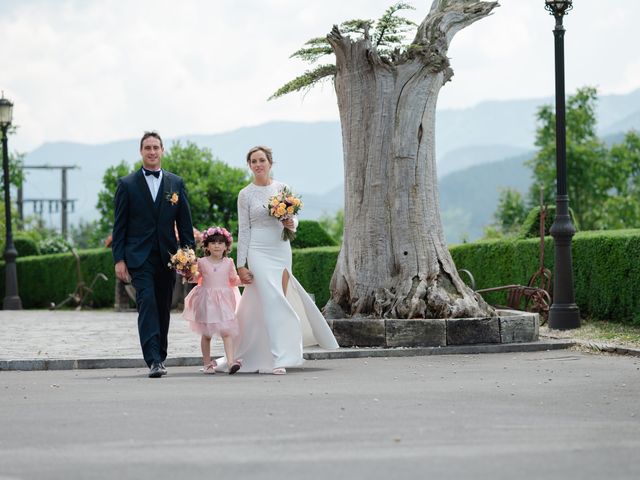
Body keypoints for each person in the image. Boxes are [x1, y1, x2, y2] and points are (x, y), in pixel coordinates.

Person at [229, 145, 339, 375]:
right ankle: (280, 357)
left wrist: (292, 224)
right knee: (272, 299)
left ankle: (274, 352)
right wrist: (241, 265)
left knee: (275, 300)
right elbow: (244, 229)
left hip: (280, 249)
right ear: (249, 165)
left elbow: (294, 219)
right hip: (257, 250)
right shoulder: (245, 194)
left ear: (270, 163)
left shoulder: (283, 188)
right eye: (253, 161)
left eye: (262, 160)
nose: (258, 165)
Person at [112, 131, 195, 378]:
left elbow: (185, 222)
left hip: (168, 257)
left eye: (155, 147)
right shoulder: (126, 185)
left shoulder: (175, 183)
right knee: (146, 303)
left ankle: (161, 354)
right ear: (141, 151)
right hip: (139, 257)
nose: (151, 151)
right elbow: (120, 226)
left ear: (162, 150)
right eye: (147, 147)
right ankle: (153, 360)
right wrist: (119, 259)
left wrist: (188, 254)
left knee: (162, 306)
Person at [182, 226, 243, 374]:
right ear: (207, 246)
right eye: (213, 242)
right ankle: (207, 363)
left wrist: (247, 280)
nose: (217, 245)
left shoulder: (229, 262)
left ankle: (230, 362)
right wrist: (187, 273)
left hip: (224, 301)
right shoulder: (201, 262)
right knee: (207, 334)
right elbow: (196, 278)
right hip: (206, 301)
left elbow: (233, 280)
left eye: (220, 243)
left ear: (226, 246)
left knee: (226, 332)